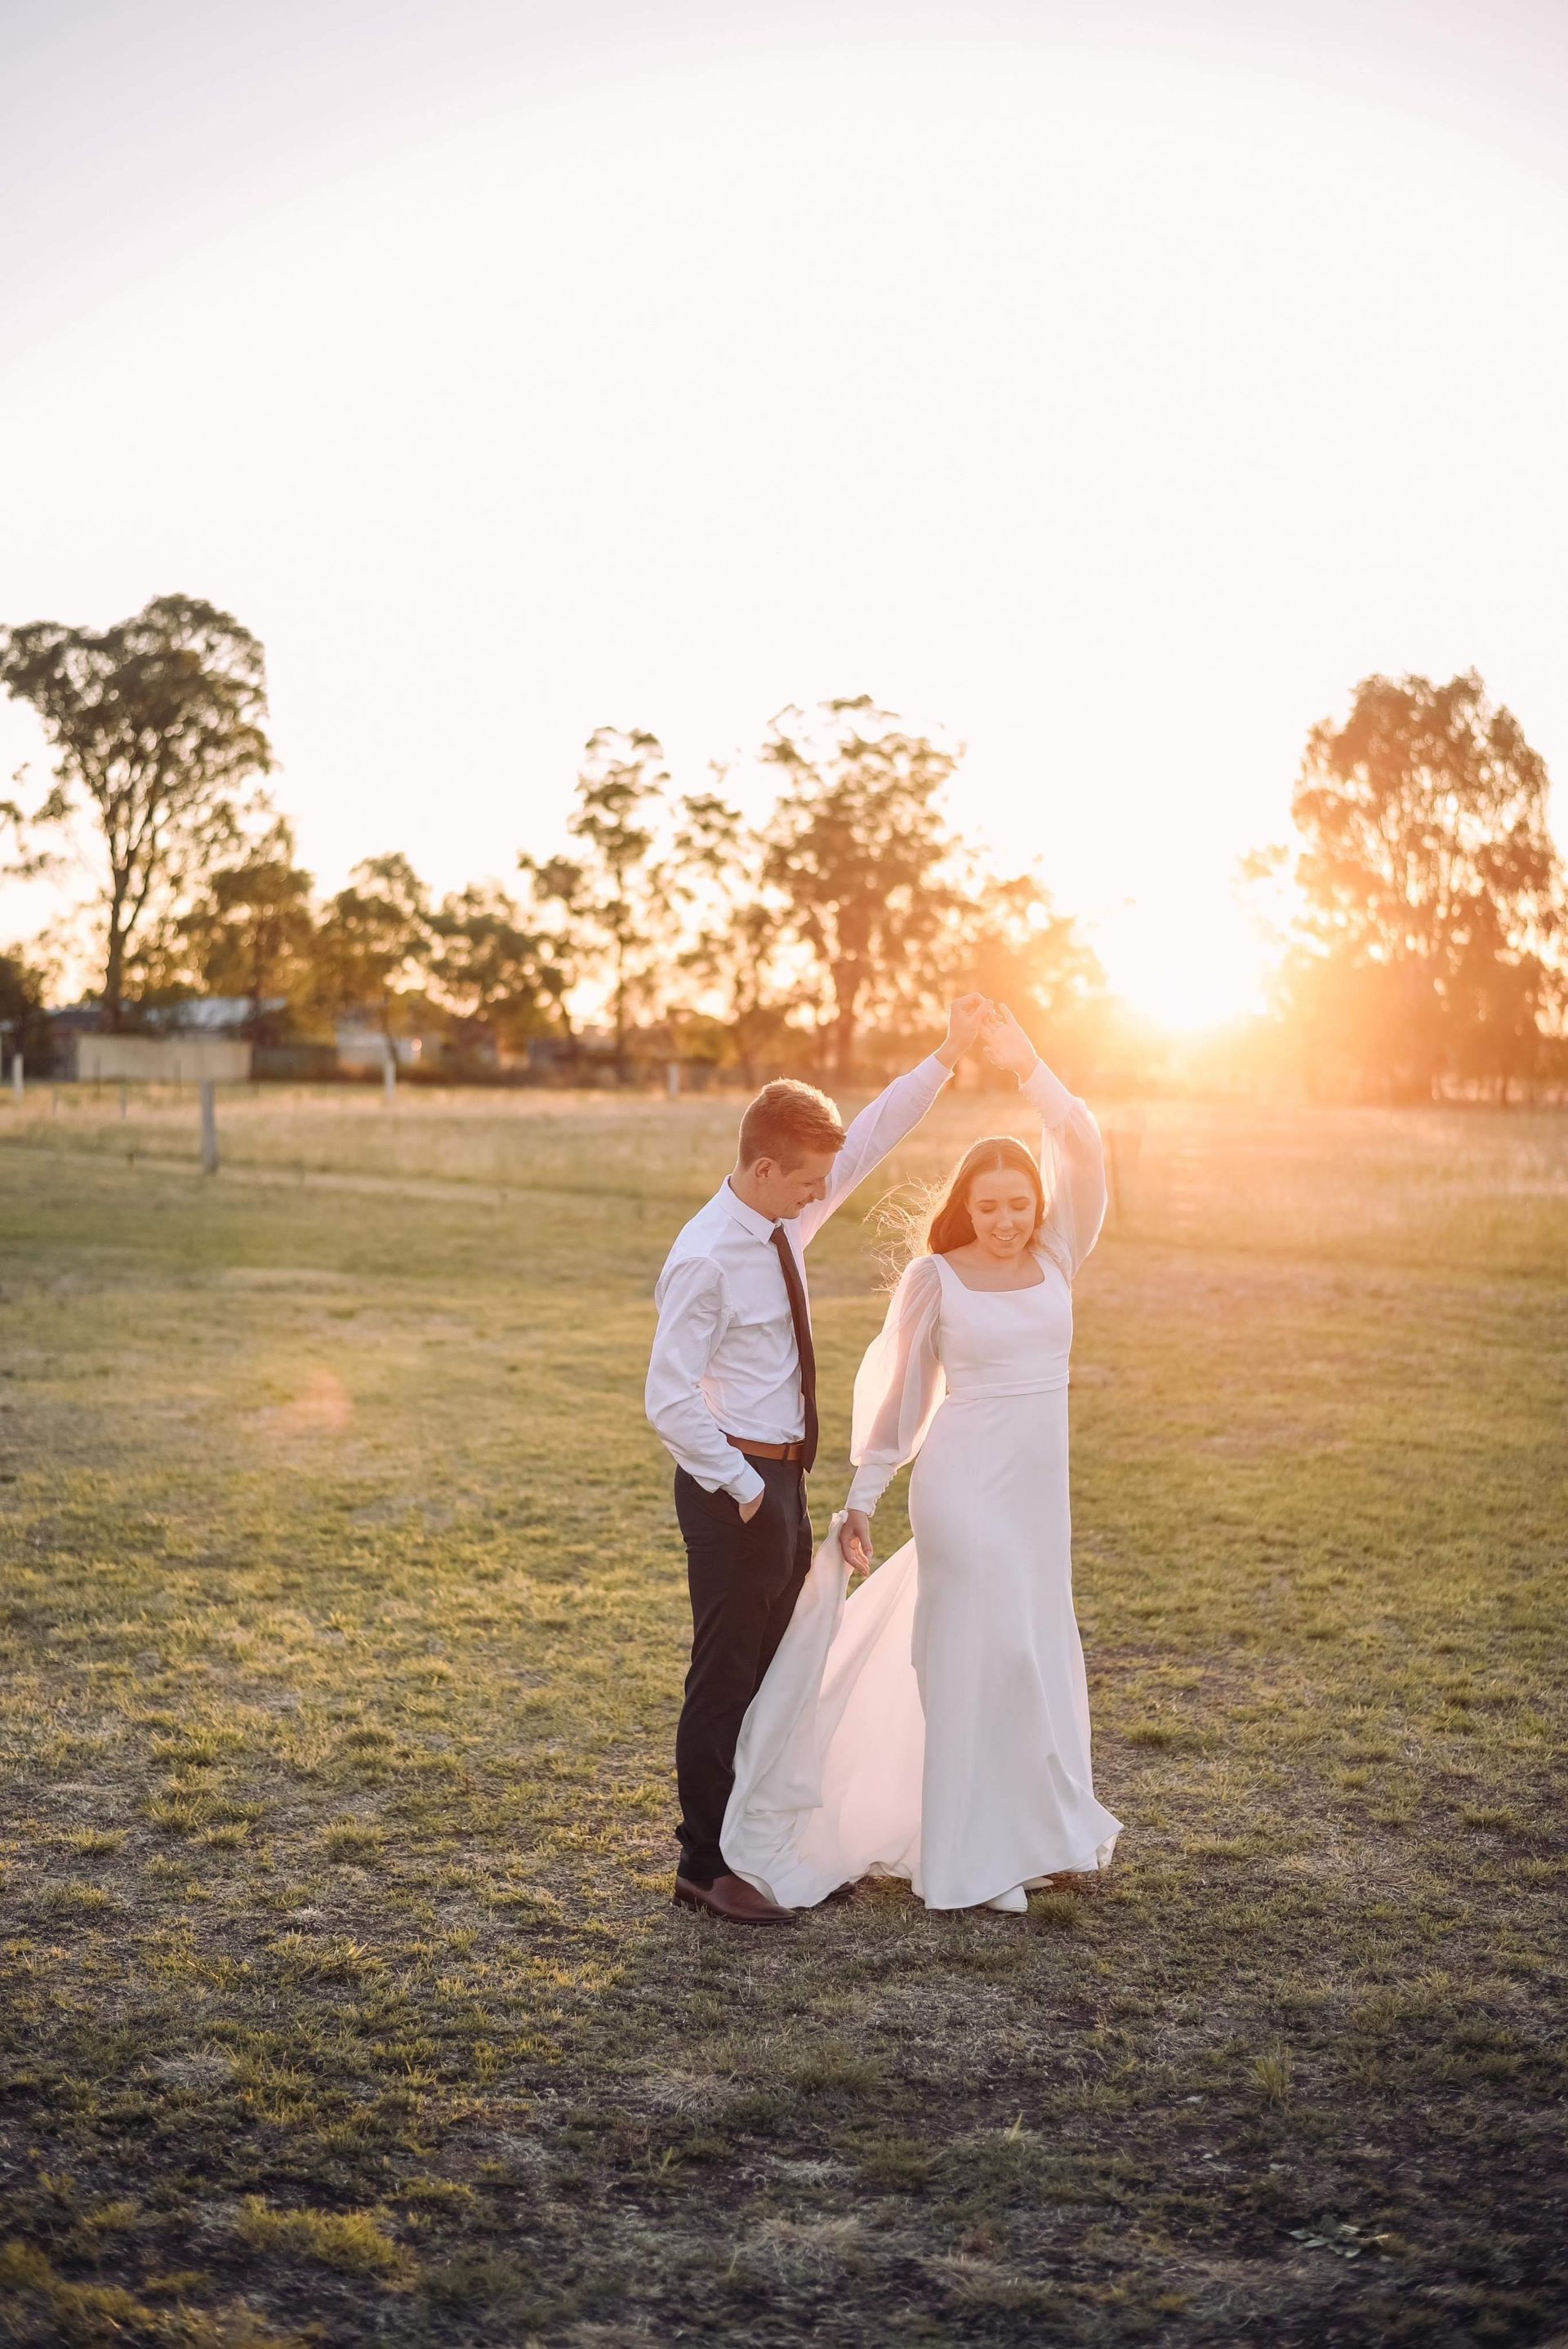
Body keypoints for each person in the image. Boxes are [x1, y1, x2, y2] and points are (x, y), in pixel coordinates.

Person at [721, 1002, 1121, 1914]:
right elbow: (901, 1398)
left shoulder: (1061, 1253)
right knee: (975, 1658)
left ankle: (1037, 1834)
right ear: (964, 1207)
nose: (1008, 1218)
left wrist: (1028, 1066)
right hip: (961, 1489)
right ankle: (966, 1853)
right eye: (990, 1205)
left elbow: (1084, 1143)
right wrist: (864, 1496)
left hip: (1036, 1498)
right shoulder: (933, 1278)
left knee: (1030, 1653)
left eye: (1020, 1203)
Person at [646, 997, 993, 1924]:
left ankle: (757, 1842)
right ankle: (702, 1862)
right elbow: (668, 1398)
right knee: (725, 1673)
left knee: (780, 1666)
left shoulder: (782, 1222)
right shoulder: (706, 1257)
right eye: (806, 1183)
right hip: (738, 1490)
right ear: (764, 1168)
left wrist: (946, 1059)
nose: (819, 1196)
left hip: (784, 1482)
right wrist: (750, 1492)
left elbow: (870, 1135)